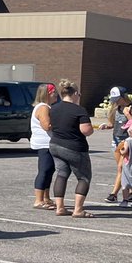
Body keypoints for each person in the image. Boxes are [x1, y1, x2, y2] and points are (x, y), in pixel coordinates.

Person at [48, 79, 94, 218]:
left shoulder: (54, 108)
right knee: (84, 177)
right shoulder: (79, 110)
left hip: (55, 144)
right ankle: (78, 210)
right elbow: (85, 130)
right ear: (74, 93)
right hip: (74, 147)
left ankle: (60, 207)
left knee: (61, 174)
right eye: (78, 94)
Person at [100, 87, 132, 201]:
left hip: (127, 141)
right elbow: (114, 124)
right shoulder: (117, 108)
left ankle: (114, 194)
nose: (115, 101)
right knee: (124, 169)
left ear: (123, 97)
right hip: (116, 140)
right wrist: (107, 126)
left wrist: (128, 115)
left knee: (122, 168)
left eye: (117, 99)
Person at [30, 84, 57, 209]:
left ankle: (46, 197)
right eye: (53, 92)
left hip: (48, 143)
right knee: (44, 170)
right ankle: (38, 200)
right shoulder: (43, 107)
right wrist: (61, 122)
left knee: (50, 170)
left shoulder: (46, 107)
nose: (56, 94)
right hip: (44, 143)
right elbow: (47, 126)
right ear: (47, 94)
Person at [119, 119, 132, 205]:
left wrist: (121, 148)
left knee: (125, 184)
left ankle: (125, 200)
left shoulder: (128, 140)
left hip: (128, 164)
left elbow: (124, 152)